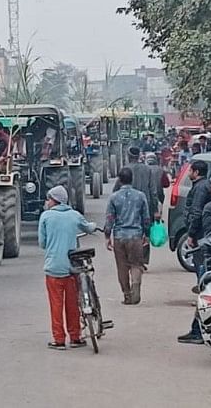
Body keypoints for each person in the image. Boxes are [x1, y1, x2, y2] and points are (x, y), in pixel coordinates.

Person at [38, 185, 97, 350]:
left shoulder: (46, 217)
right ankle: (75, 337)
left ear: (54, 200)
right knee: (73, 304)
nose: (47, 202)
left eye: (48, 199)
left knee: (56, 305)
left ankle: (58, 339)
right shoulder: (74, 215)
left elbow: (42, 243)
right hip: (72, 268)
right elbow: (88, 227)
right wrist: (93, 226)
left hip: (53, 268)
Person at [178, 160, 211, 344]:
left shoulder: (201, 190)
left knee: (204, 286)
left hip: (202, 242)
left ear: (196, 171)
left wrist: (191, 234)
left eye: (190, 170)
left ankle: (199, 331)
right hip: (205, 242)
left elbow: (196, 212)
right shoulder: (203, 187)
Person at [105, 167, 151, 305]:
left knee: (122, 267)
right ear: (132, 179)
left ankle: (127, 294)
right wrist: (146, 234)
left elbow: (110, 219)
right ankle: (136, 291)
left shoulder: (113, 197)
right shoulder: (140, 196)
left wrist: (108, 236)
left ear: (119, 180)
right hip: (136, 236)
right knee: (136, 265)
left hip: (119, 236)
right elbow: (146, 218)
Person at [113, 146, 160, 266]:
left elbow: (116, 190)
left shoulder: (124, 169)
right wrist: (155, 209)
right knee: (145, 231)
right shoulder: (147, 169)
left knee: (130, 230)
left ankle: (130, 258)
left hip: (126, 206)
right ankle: (142, 260)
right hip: (146, 205)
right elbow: (153, 191)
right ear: (139, 156)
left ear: (128, 156)